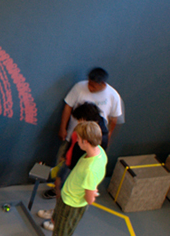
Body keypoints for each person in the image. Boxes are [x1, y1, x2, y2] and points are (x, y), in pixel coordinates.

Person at [43, 67, 122, 200]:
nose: (89, 88)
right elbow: (73, 145)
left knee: (67, 186)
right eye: (89, 83)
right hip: (71, 160)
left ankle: (61, 197)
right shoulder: (78, 133)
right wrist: (65, 158)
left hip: (75, 168)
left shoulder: (113, 97)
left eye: (93, 86)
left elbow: (114, 120)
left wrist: (69, 165)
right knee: (60, 179)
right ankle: (58, 192)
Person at [41, 121, 107, 236]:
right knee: (61, 227)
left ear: (86, 142)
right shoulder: (99, 151)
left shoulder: (90, 170)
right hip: (68, 198)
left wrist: (92, 191)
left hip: (71, 204)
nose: (77, 141)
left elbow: (89, 200)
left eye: (79, 139)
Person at [38, 102, 107, 220]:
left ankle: (58, 217)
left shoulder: (96, 137)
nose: (78, 123)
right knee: (59, 185)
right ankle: (56, 212)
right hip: (69, 163)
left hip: (75, 169)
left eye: (79, 121)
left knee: (65, 193)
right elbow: (74, 142)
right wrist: (65, 155)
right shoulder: (84, 131)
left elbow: (89, 197)